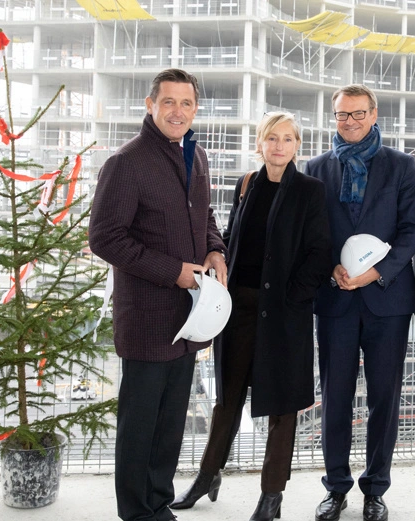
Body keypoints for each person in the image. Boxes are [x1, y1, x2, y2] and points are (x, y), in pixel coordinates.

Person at [169, 112, 332, 521]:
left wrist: (293, 298)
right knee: (228, 397)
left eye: (287, 139)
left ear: (298, 146)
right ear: (260, 144)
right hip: (238, 307)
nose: (279, 146)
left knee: (282, 405)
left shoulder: (311, 191)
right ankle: (208, 475)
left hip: (284, 311)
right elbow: (232, 237)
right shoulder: (246, 184)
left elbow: (319, 253)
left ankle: (271, 495)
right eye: (271, 138)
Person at [88, 68, 227, 521]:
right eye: (169, 102)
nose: (178, 111)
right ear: (151, 105)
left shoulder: (196, 156)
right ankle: (137, 512)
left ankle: (157, 504)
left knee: (169, 426)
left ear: (195, 110)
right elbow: (105, 239)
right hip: (148, 318)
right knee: (140, 426)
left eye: (186, 104)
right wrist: (174, 273)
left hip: (189, 318)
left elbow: (203, 215)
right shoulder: (127, 162)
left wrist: (215, 249)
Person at [306, 84, 415, 521]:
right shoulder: (316, 169)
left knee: (383, 399)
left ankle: (376, 489)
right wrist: (329, 268)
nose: (349, 121)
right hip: (335, 299)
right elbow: (311, 235)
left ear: (375, 115)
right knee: (334, 397)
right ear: (333, 117)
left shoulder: (402, 166)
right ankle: (335, 488)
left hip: (387, 301)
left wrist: (378, 271)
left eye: (358, 114)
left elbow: (412, 230)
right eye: (341, 115)